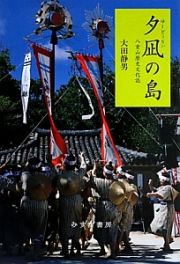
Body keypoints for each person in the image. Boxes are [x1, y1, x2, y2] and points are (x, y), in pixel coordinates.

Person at [89, 161, 121, 259]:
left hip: (102, 206)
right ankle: (112, 252)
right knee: (113, 229)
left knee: (100, 228)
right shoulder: (116, 183)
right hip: (114, 206)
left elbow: (92, 178)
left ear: (104, 173)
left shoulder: (100, 181)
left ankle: (105, 249)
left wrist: (94, 167)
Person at [57, 152, 86, 258]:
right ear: (74, 165)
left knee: (64, 223)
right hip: (77, 200)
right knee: (76, 222)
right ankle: (74, 249)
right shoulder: (78, 174)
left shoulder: (61, 175)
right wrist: (82, 157)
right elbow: (84, 167)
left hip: (64, 200)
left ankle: (65, 250)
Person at [147, 169, 175, 252]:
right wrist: (150, 185)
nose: (160, 181)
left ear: (163, 179)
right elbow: (157, 190)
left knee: (165, 226)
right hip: (164, 207)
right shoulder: (163, 187)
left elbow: (161, 195)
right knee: (159, 226)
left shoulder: (168, 188)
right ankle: (167, 240)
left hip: (167, 208)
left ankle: (167, 244)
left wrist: (152, 194)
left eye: (160, 179)